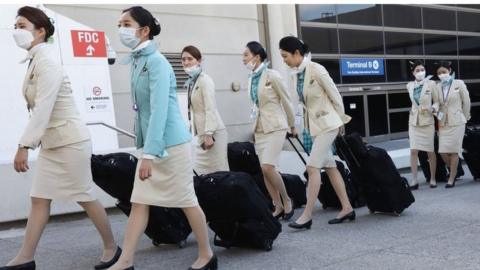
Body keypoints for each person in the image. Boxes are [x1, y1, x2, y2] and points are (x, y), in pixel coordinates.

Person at [1, 6, 119, 270]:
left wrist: (23, 145)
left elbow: (44, 107)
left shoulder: (48, 61)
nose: (16, 32)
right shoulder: (34, 60)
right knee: (39, 198)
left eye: (22, 26)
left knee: (85, 196)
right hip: (53, 144)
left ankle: (112, 247)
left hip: (70, 142)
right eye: (16, 27)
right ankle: (25, 257)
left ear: (40, 31)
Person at [108, 6, 216, 270]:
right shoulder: (137, 60)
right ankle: (126, 260)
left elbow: (159, 111)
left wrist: (148, 154)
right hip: (153, 145)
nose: (121, 28)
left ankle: (206, 254)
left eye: (126, 23)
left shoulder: (156, 62)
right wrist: (145, 147)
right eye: (119, 23)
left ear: (144, 30)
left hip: (171, 146)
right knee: (139, 202)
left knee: (187, 201)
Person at [278, 36, 355, 229]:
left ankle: (307, 215)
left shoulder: (317, 69)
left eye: (285, 56)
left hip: (328, 124)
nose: (284, 60)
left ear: (297, 53)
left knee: (312, 168)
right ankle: (347, 207)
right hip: (314, 127)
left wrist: (341, 120)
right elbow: (302, 104)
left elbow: (334, 94)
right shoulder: (296, 73)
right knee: (330, 167)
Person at [242, 41, 295, 220]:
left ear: (257, 57)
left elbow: (286, 100)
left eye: (246, 55)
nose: (244, 59)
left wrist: (292, 123)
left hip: (276, 126)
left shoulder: (272, 75)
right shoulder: (251, 78)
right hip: (260, 128)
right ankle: (277, 205)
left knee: (268, 167)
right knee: (264, 170)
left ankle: (287, 200)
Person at [181, 45, 229, 175]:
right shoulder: (192, 82)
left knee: (218, 173)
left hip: (213, 134)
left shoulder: (205, 80)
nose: (186, 62)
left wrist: (209, 134)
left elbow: (210, 108)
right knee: (201, 173)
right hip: (202, 135)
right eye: (183, 59)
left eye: (190, 59)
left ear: (199, 60)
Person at [435, 61, 471, 188]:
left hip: (457, 122)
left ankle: (451, 178)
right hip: (444, 122)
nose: (442, 74)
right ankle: (456, 169)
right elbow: (437, 104)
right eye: (439, 73)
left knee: (454, 151)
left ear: (449, 71)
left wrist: (465, 117)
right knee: (443, 152)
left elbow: (466, 101)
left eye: (444, 72)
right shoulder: (437, 87)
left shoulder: (458, 83)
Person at [407, 60, 439, 189]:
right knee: (413, 151)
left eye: (422, 70)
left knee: (430, 151)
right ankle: (414, 180)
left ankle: (432, 178)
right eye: (417, 70)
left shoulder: (431, 84)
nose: (420, 72)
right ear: (413, 73)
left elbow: (437, 102)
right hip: (414, 122)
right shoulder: (409, 85)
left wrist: (432, 108)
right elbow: (413, 103)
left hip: (427, 121)